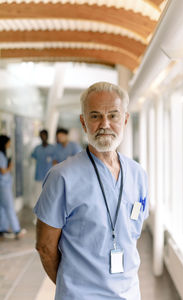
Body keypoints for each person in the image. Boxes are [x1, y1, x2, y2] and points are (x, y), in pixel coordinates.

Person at [34, 82, 148, 300]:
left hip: (130, 292)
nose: (104, 124)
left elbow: (131, 235)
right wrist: (73, 286)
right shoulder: (62, 177)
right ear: (83, 122)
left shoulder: (138, 175)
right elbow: (45, 247)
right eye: (95, 116)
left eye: (113, 116)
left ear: (124, 120)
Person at [0, 135, 26, 239]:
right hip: (3, 185)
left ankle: (2, 229)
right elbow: (3, 171)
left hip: (3, 185)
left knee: (2, 208)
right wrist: (10, 167)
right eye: (8, 143)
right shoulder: (1, 155)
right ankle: (17, 230)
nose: (9, 145)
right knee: (10, 207)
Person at [31, 130, 55, 206]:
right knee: (38, 197)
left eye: (44, 135)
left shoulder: (53, 148)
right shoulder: (37, 148)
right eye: (41, 135)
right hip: (39, 176)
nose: (43, 137)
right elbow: (32, 158)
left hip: (50, 177)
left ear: (47, 136)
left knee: (49, 198)